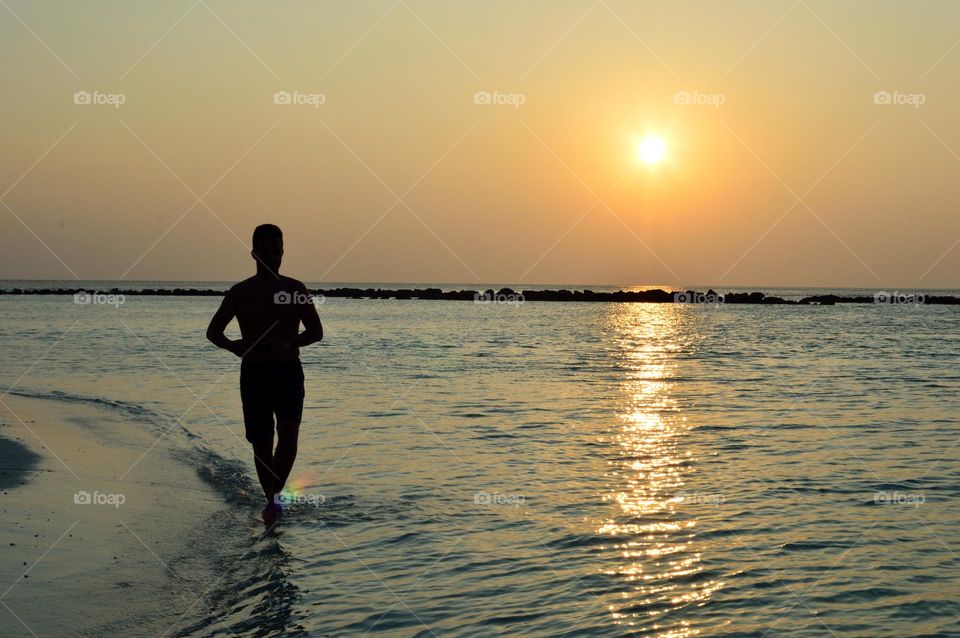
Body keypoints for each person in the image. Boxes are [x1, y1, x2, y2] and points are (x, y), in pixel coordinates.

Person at [206, 224, 323, 526]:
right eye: (267, 252)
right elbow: (213, 331)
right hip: (254, 373)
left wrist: (291, 341)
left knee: (288, 437)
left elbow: (316, 331)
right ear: (254, 254)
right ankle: (272, 501)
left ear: (283, 252)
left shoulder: (295, 289)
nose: (273, 257)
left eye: (277, 251)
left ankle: (273, 500)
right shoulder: (241, 292)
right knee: (261, 442)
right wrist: (235, 347)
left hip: (288, 372)